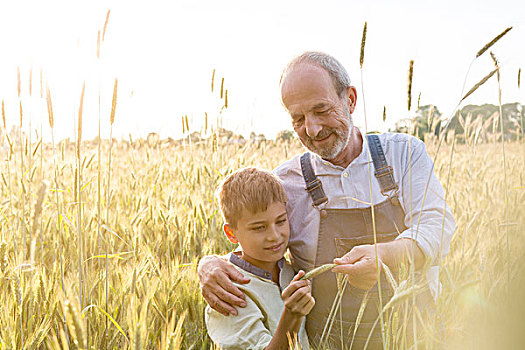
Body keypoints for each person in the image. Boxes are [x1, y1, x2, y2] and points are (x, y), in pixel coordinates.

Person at [199, 52, 455, 349]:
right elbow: (253, 236)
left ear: (350, 99)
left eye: (321, 110)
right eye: (298, 119)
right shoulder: (286, 182)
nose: (312, 129)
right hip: (331, 342)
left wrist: (385, 255)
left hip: (415, 337)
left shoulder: (404, 154)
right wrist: (209, 264)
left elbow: (437, 228)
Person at [205, 167, 314, 349]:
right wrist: (292, 316)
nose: (274, 236)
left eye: (280, 221)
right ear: (231, 233)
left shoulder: (289, 269)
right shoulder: (228, 293)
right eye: (259, 228)